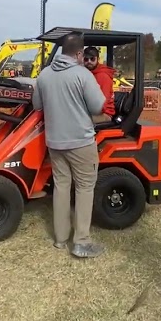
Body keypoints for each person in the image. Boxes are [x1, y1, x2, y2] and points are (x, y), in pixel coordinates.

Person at [31, 32, 107, 258]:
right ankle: (81, 242)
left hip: (55, 142)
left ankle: (60, 239)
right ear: (79, 53)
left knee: (61, 187)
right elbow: (98, 106)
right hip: (81, 142)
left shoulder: (44, 74)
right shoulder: (83, 74)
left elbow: (37, 105)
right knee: (84, 188)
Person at [81, 46, 115, 119]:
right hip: (90, 111)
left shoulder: (102, 76)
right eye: (86, 59)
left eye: (92, 59)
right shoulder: (86, 74)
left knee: (77, 121)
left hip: (104, 114)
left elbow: (102, 103)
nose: (89, 61)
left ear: (98, 59)